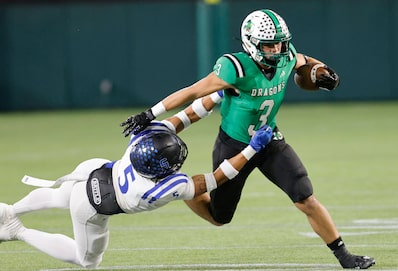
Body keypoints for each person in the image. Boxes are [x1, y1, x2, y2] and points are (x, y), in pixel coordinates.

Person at [120, 9, 375, 269]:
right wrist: (150, 113)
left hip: (269, 140)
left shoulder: (286, 55)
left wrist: (322, 72)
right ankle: (186, 191)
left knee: (305, 197)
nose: (276, 50)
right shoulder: (234, 67)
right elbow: (193, 91)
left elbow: (303, 62)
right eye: (268, 45)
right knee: (219, 217)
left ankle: (345, 258)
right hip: (234, 145)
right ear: (251, 43)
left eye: (279, 43)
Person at [0, 115, 273, 268]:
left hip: (94, 171)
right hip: (95, 204)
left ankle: (10, 209)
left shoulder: (141, 140)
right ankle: (16, 230)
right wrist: (252, 149)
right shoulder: (164, 187)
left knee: (60, 195)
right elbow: (214, 179)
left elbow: (180, 118)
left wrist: (213, 99)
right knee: (86, 261)